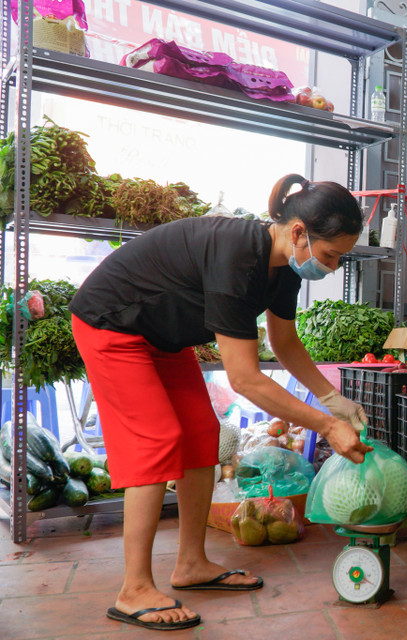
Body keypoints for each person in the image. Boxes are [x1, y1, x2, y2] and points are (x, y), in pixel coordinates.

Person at [69, 174, 373, 631]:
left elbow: (285, 343)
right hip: (112, 324)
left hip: (162, 338)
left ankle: (191, 564)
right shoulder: (238, 257)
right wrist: (327, 426)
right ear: (298, 232)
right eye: (330, 255)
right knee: (158, 439)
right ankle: (134, 589)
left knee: (201, 433)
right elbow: (245, 380)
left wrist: (332, 399)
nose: (331, 268)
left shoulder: (284, 268)